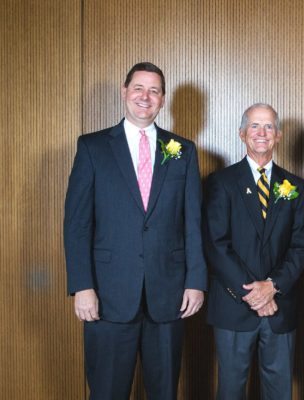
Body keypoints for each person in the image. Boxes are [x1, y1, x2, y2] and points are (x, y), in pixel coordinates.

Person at [63, 62, 207, 399]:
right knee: (108, 391)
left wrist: (195, 281)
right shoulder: (92, 147)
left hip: (169, 295)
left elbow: (192, 222)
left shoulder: (183, 151)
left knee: (163, 392)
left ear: (163, 100)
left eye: (154, 90)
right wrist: (82, 285)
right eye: (139, 88)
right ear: (124, 92)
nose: (146, 96)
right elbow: (77, 224)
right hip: (107, 296)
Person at [203, 103, 304, 399]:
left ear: (278, 135)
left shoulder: (297, 187)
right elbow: (216, 244)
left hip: (280, 307)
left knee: (279, 391)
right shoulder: (221, 183)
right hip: (233, 306)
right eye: (254, 126)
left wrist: (273, 287)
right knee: (230, 389)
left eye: (268, 127)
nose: (261, 133)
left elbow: (301, 246)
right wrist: (254, 293)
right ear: (241, 134)